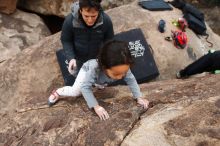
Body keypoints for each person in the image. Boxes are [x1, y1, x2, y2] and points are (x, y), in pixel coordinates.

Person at [48, 40, 149, 120]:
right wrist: (96, 106)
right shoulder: (94, 68)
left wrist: (138, 97)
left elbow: (131, 80)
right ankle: (58, 92)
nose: (121, 77)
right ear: (104, 67)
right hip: (86, 71)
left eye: (124, 72)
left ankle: (97, 84)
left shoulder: (122, 67)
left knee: (100, 85)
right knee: (76, 92)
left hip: (100, 80)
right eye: (116, 73)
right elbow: (85, 88)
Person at [61, 0, 114, 76]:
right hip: (78, 59)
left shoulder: (106, 21)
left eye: (93, 16)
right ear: (80, 10)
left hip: (98, 59)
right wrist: (71, 58)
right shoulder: (70, 21)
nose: (90, 20)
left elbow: (109, 40)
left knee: (99, 81)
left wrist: (105, 56)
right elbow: (66, 40)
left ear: (98, 11)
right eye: (86, 16)